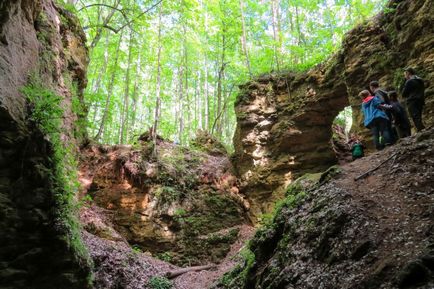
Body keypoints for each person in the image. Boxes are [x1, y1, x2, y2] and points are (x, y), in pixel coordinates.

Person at [402, 67, 425, 132]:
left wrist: (405, 81)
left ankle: (421, 130)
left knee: (415, 115)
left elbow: (404, 94)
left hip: (412, 100)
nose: (404, 76)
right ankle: (421, 128)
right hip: (420, 99)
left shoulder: (409, 81)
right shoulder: (420, 80)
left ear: (408, 73)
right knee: (419, 115)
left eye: (405, 74)